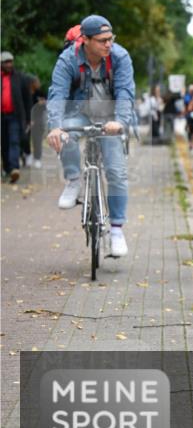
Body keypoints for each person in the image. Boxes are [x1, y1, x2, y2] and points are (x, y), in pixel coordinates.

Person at [46, 15, 135, 257]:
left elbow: (126, 92)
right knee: (67, 135)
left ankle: (116, 229)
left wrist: (120, 121)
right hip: (79, 113)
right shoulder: (68, 59)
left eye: (111, 39)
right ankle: (74, 180)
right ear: (85, 40)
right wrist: (55, 127)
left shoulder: (119, 56)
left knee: (116, 172)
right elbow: (57, 94)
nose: (109, 44)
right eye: (102, 40)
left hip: (110, 117)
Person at [1, 51, 33, 183]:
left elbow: (27, 98)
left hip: (15, 115)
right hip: (2, 117)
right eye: (6, 62)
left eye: (10, 62)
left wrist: (29, 117)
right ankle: (7, 169)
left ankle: (14, 168)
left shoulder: (19, 77)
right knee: (4, 143)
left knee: (14, 141)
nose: (9, 64)